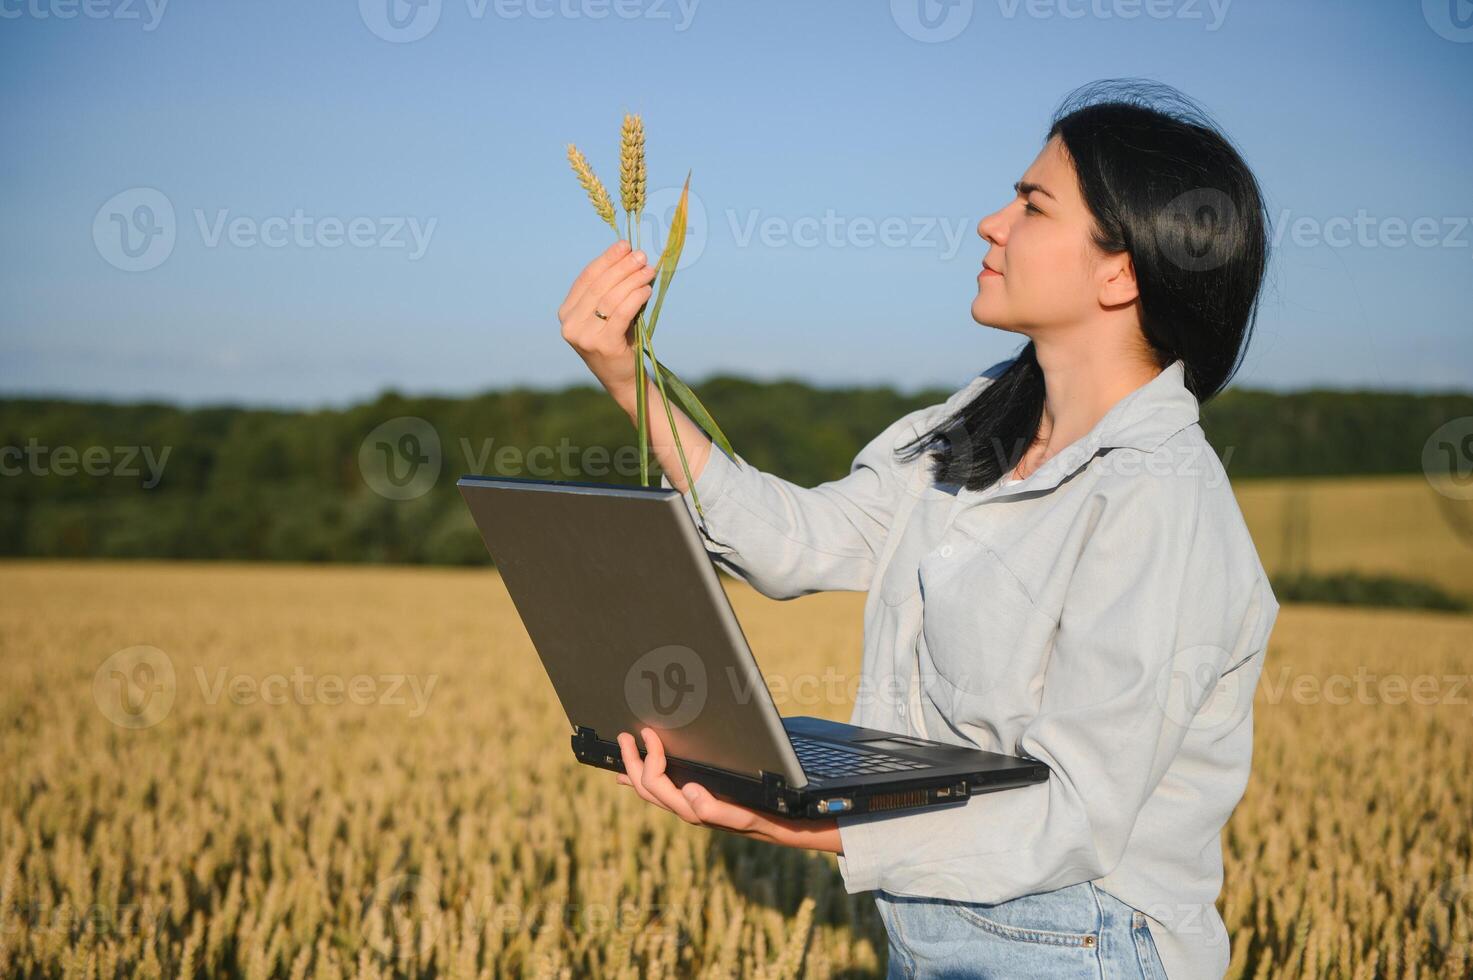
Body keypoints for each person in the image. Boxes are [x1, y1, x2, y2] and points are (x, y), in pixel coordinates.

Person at [558, 78, 1277, 980]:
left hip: (1080, 941)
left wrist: (796, 818)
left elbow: (1074, 817)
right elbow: (794, 545)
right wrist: (626, 379)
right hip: (937, 927)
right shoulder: (983, 419)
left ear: (1119, 270)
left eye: (1031, 203)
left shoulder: (1159, 499)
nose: (990, 222)